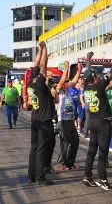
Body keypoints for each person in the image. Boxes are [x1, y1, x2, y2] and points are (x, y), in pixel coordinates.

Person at [81, 50, 112, 191]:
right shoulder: (99, 86)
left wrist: (88, 59)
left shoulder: (86, 87)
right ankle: (103, 179)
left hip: (92, 122)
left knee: (91, 151)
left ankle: (87, 176)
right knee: (103, 152)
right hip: (103, 123)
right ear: (94, 77)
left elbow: (88, 71)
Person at [24, 41, 55, 185]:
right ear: (41, 76)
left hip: (35, 119)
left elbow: (37, 63)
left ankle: (31, 175)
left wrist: (40, 49)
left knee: (34, 147)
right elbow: (43, 65)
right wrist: (45, 48)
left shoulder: (31, 82)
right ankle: (40, 177)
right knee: (42, 148)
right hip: (43, 121)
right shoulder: (41, 85)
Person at [54, 61, 82, 171]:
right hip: (63, 121)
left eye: (66, 83)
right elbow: (61, 82)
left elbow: (74, 81)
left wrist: (79, 71)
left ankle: (70, 163)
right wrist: (66, 69)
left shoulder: (68, 89)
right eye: (64, 83)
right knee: (64, 142)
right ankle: (61, 163)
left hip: (70, 120)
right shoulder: (58, 90)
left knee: (75, 141)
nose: (66, 84)